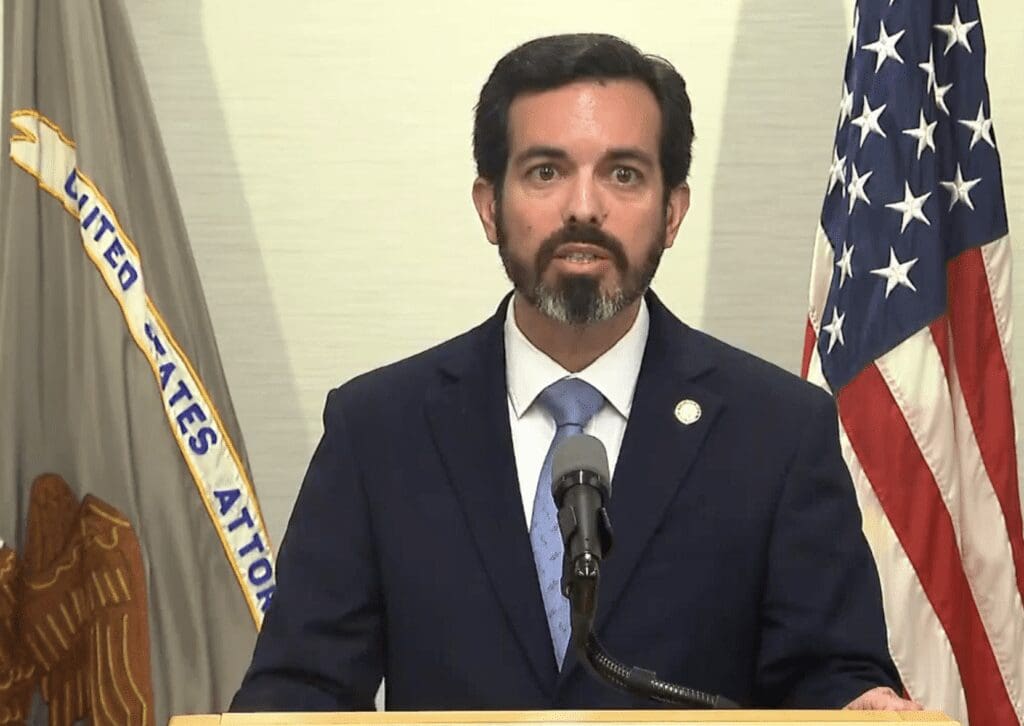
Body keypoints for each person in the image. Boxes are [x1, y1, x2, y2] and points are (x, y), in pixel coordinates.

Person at [230, 33, 918, 713]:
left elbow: (831, 676)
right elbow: (301, 687)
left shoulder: (777, 431)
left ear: (671, 212)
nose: (584, 208)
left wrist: (859, 705)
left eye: (623, 174)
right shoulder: (378, 429)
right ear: (489, 208)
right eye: (545, 172)